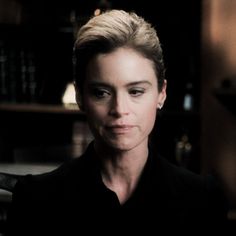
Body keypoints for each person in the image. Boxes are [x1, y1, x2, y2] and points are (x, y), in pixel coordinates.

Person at [6, 9, 229, 235]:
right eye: (101, 93)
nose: (120, 110)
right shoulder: (35, 198)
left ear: (161, 93)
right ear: (80, 97)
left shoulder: (202, 199)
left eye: (136, 91)